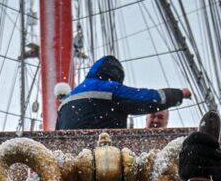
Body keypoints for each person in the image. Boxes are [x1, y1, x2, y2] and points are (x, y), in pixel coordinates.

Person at [56, 55, 190, 130]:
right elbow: (147, 99)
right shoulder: (111, 89)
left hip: (70, 162)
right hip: (102, 158)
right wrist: (178, 94)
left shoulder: (68, 98)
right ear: (116, 75)